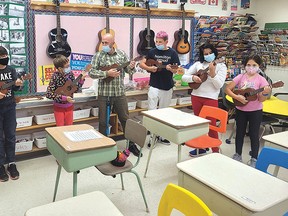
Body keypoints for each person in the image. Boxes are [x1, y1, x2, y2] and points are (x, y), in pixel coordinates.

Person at [88, 33, 142, 157]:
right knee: (103, 122)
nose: (104, 45)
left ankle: (131, 144)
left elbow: (129, 71)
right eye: (103, 42)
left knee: (125, 119)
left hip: (119, 93)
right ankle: (103, 147)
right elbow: (91, 73)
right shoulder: (98, 55)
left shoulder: (122, 54)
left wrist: (132, 67)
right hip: (104, 94)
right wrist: (107, 74)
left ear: (113, 42)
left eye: (106, 43)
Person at [225, 54, 271, 168]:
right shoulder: (240, 77)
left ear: (259, 66)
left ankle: (254, 158)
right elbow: (227, 89)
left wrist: (265, 92)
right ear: (245, 66)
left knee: (254, 134)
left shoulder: (261, 80)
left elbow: (261, 99)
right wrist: (237, 97)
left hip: (255, 111)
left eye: (254, 65)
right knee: (239, 133)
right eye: (248, 65)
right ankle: (237, 154)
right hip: (241, 110)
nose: (251, 67)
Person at [182, 43, 227, 156]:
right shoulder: (198, 64)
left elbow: (219, 85)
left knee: (211, 125)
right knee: (198, 124)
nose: (208, 55)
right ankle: (200, 148)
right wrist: (193, 77)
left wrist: (212, 74)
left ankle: (215, 151)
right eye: (205, 54)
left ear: (214, 53)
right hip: (196, 96)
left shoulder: (221, 66)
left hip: (211, 98)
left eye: (210, 53)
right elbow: (184, 76)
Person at [139, 31, 180, 145]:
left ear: (166, 42)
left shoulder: (173, 53)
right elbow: (142, 64)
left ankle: (162, 136)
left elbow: (176, 69)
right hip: (154, 86)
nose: (157, 43)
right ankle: (152, 136)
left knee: (164, 112)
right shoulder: (152, 51)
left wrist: (172, 69)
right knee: (152, 112)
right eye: (156, 41)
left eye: (160, 42)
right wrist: (150, 68)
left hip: (167, 86)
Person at [0, 46, 23, 182]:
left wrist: (19, 84)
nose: (4, 59)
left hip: (9, 107)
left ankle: (11, 163)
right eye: (2, 57)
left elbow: (16, 88)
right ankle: (1, 165)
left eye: (5, 57)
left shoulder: (11, 70)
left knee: (10, 136)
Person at [46, 54, 86, 126]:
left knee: (69, 128)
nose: (69, 68)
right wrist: (65, 98)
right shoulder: (55, 77)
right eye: (67, 66)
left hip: (69, 107)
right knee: (60, 128)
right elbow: (49, 94)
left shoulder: (70, 74)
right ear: (60, 68)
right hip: (59, 108)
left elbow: (74, 89)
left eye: (69, 65)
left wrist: (81, 80)